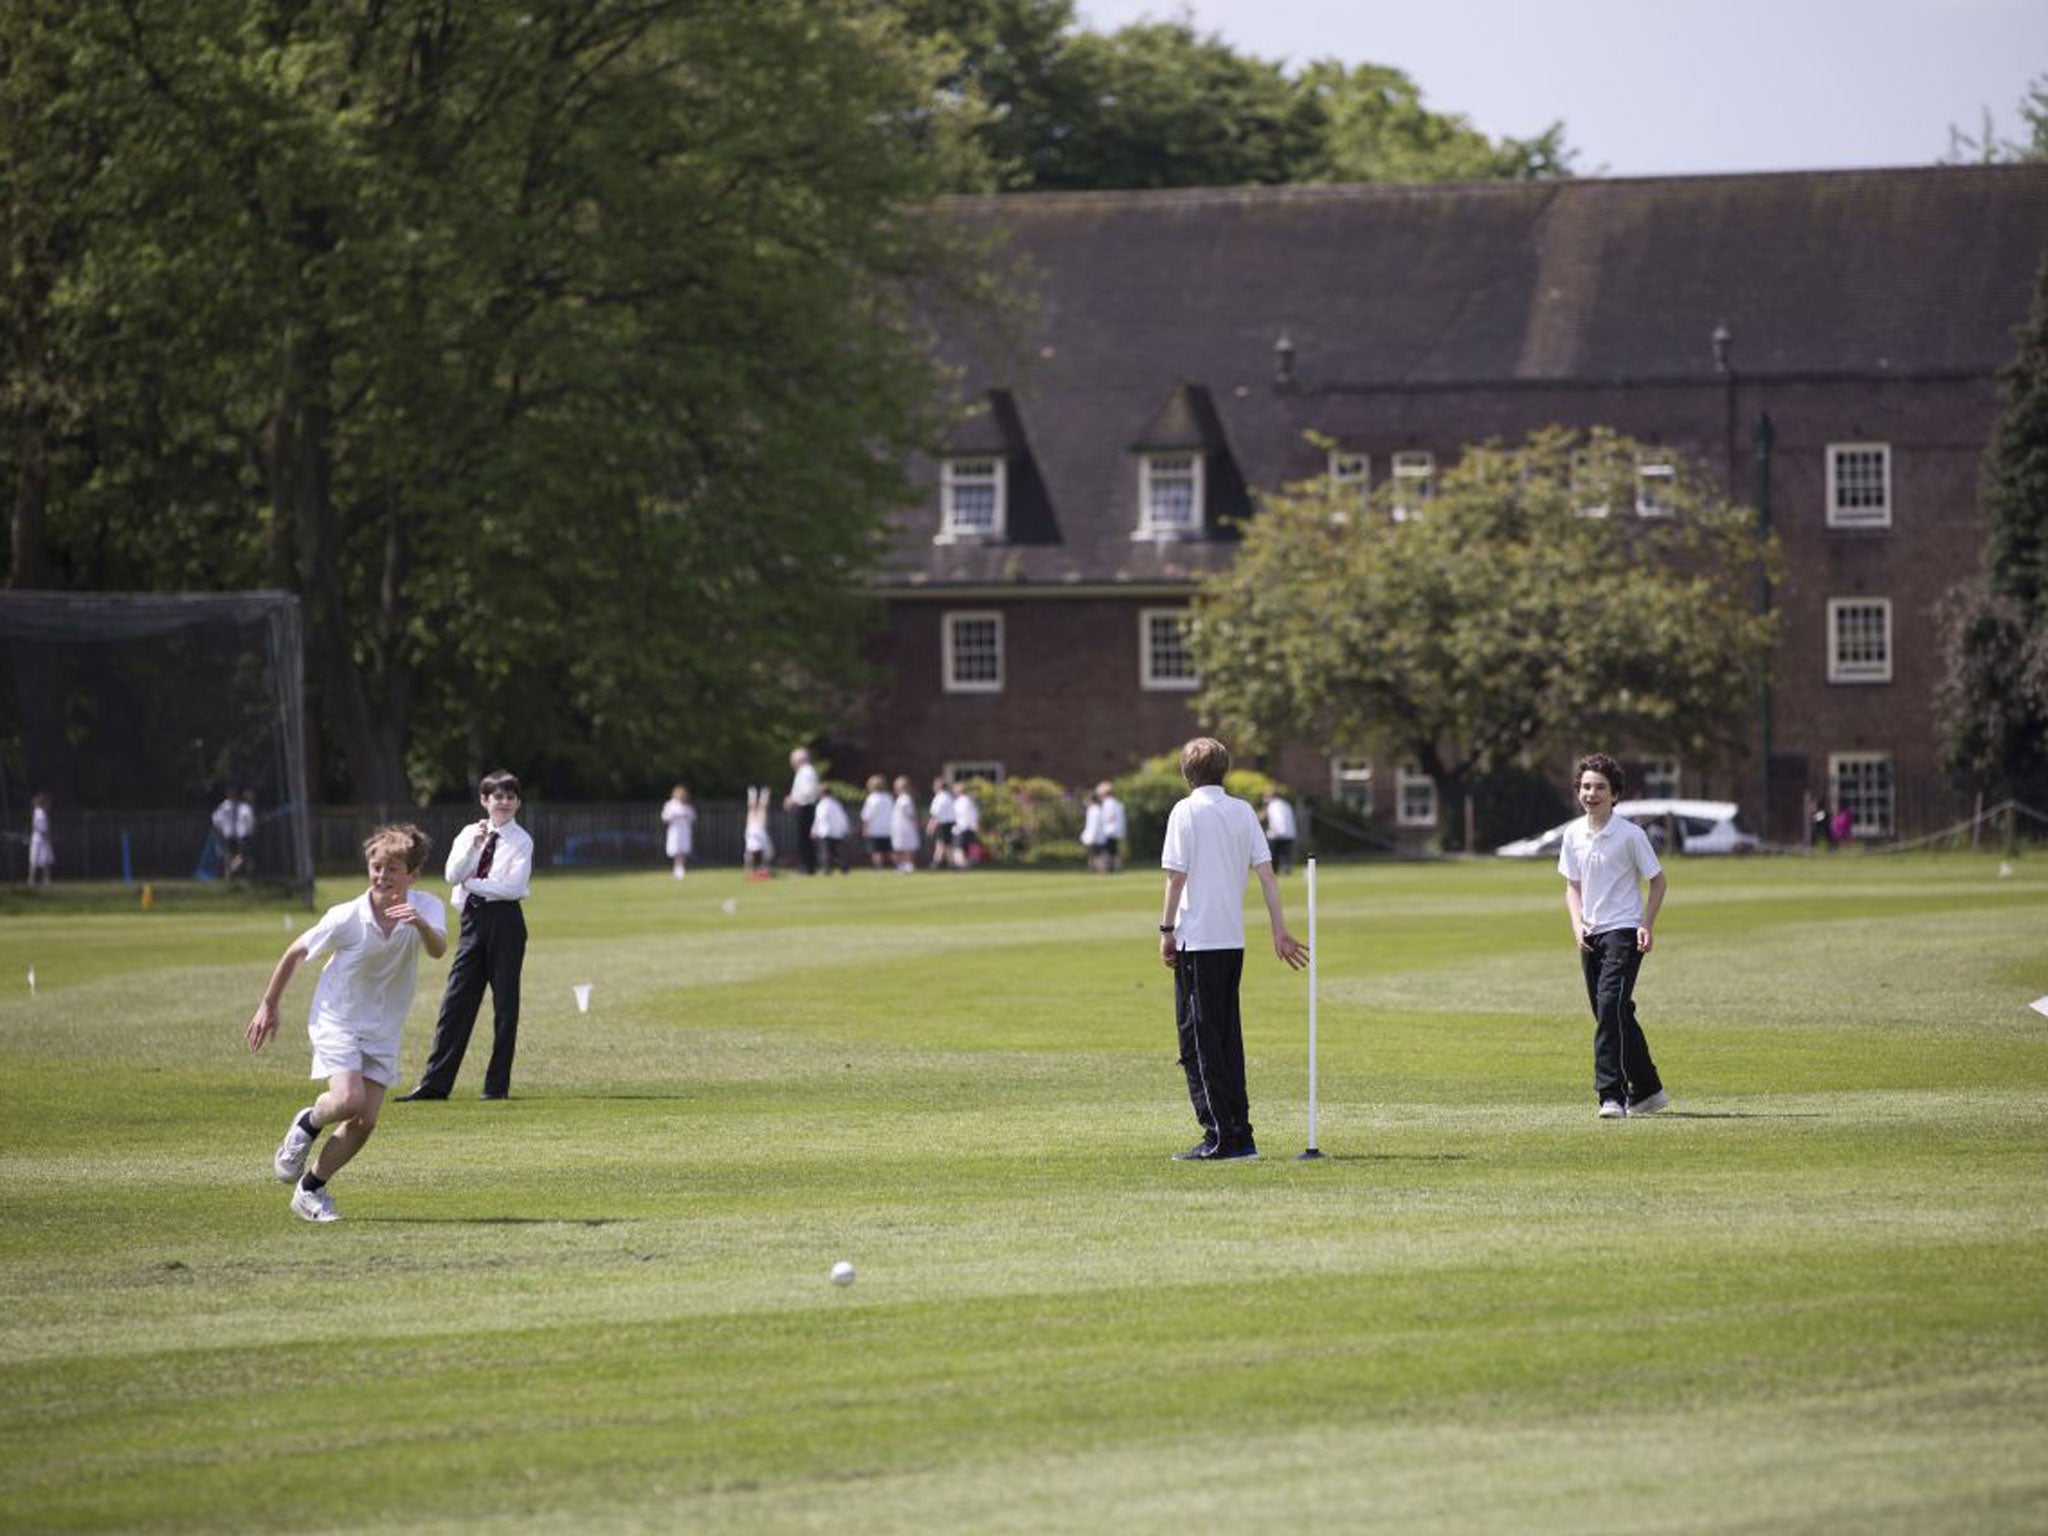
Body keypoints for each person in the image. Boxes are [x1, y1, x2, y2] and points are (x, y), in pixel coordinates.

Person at [246, 823, 447, 1221]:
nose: (382, 876)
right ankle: (307, 1122)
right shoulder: (347, 917)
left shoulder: (426, 907)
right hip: (336, 1018)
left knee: (364, 1121)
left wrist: (420, 924)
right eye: (376, 867)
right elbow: (294, 953)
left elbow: (439, 949)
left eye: (393, 869)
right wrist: (268, 1006)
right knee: (348, 1101)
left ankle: (310, 1190)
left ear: (412, 874)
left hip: (384, 1026)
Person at [1158, 737, 1309, 1161]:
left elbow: (1175, 878)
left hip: (1197, 938)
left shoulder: (1184, 811)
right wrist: (1280, 930)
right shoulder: (1242, 811)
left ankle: (1221, 1136)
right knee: (1227, 1038)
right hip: (1231, 940)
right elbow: (1267, 876)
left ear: (1187, 773)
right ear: (1223, 771)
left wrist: (1166, 929)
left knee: (1199, 1042)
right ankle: (1240, 1133)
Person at [398, 770, 533, 1102]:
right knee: (456, 1001)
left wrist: (471, 883)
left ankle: (495, 1086)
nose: (504, 802)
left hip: (505, 922)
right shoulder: (469, 833)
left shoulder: (522, 840)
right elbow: (451, 874)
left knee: (505, 1005)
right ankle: (435, 1084)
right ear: (485, 800)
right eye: (497, 796)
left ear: (517, 802)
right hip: (473, 921)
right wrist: (474, 850)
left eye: (510, 796)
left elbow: (512, 887)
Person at [1558, 752, 1670, 1120]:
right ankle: (1649, 1090)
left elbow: (1658, 881)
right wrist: (1577, 925)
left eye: (1600, 787)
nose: (1592, 793)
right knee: (1612, 1011)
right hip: (1590, 935)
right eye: (1586, 787)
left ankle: (1611, 1095)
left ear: (1615, 794)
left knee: (1609, 1008)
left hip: (1623, 931)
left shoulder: (1630, 835)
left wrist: (1646, 925)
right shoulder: (1573, 834)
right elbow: (1572, 886)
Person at [785, 748, 821, 874]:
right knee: (804, 839)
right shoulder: (805, 771)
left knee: (804, 839)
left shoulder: (806, 772)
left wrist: (793, 799)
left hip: (806, 807)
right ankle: (806, 866)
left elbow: (808, 792)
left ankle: (806, 867)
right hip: (805, 807)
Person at [811, 786, 850, 873]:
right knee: (837, 853)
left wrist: (814, 831)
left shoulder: (822, 805)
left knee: (826, 852)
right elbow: (843, 818)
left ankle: (827, 869)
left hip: (825, 832)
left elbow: (819, 818)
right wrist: (845, 828)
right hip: (837, 832)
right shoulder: (837, 804)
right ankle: (844, 867)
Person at [661, 784, 695, 880]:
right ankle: (677, 869)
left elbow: (692, 817)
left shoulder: (687, 806)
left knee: (682, 850)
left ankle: (679, 869)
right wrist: (674, 816)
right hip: (674, 831)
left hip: (684, 830)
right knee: (676, 850)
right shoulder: (670, 805)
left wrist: (685, 816)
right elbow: (664, 817)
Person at [860, 774, 894, 870]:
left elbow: (866, 815)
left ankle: (879, 868)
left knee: (876, 851)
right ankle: (897, 865)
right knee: (889, 850)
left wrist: (865, 828)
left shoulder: (871, 799)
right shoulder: (888, 798)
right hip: (887, 828)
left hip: (874, 829)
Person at [889, 775, 921, 873]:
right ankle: (902, 866)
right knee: (900, 847)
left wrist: (916, 824)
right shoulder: (901, 798)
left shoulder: (905, 799)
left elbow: (911, 814)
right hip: (899, 826)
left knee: (907, 847)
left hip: (906, 827)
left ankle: (909, 866)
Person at [1264, 787, 1297, 875]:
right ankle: (1286, 869)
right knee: (1285, 854)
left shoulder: (1272, 805)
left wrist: (1275, 832)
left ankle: (1275, 870)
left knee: (1274, 854)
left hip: (1277, 834)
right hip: (1289, 834)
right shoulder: (1286, 805)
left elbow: (1277, 820)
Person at [743, 785, 776, 877]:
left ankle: (758, 794)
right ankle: (756, 794)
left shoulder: (759, 851)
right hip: (755, 831)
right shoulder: (763, 852)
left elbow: (747, 861)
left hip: (755, 832)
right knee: (757, 810)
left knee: (757, 810)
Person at [1095, 781, 1126, 873]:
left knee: (1107, 851)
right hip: (1116, 832)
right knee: (1113, 851)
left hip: (1109, 831)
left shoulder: (1108, 803)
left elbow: (1109, 817)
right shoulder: (1117, 803)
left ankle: (1107, 868)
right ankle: (1113, 867)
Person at [950, 781, 983, 867]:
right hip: (964, 827)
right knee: (963, 847)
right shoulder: (964, 800)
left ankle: (961, 865)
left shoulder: (963, 801)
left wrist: (974, 824)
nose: (953, 791)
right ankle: (964, 863)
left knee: (957, 847)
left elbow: (971, 814)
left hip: (963, 827)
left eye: (955, 789)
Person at [211, 791, 243, 879]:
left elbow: (215, 819)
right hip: (229, 833)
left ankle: (231, 871)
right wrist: (221, 828)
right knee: (230, 854)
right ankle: (229, 873)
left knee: (238, 855)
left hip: (236, 833)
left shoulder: (239, 806)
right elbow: (216, 819)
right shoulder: (225, 806)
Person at [926, 776, 956, 870]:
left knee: (943, 844)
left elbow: (936, 814)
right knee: (943, 844)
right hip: (950, 823)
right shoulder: (949, 797)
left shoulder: (939, 797)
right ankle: (943, 863)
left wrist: (931, 826)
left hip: (943, 824)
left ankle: (938, 863)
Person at [27, 793, 54, 885]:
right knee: (41, 860)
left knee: (39, 860)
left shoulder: (38, 812)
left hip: (39, 839)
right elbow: (41, 828)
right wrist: (48, 837)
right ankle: (40, 880)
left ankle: (39, 880)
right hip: (41, 840)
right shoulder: (40, 813)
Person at [234, 788, 258, 877]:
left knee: (247, 855)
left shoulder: (244, 808)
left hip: (246, 835)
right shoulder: (245, 808)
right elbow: (250, 822)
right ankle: (231, 870)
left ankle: (249, 874)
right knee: (243, 855)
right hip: (245, 835)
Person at [1080, 790, 1102, 870]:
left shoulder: (1094, 810)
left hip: (1095, 837)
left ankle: (1099, 869)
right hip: (1093, 836)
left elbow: (1093, 825)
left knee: (1097, 854)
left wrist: (1090, 837)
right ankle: (1093, 868)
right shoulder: (1092, 810)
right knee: (1094, 854)